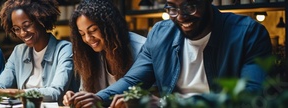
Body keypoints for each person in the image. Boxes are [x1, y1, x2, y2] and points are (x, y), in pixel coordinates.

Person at [68, 0, 272, 107]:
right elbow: (133, 79)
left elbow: (249, 96)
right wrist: (98, 98)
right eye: (172, 8)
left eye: (189, 6)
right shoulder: (160, 33)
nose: (181, 16)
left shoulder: (248, 33)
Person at [0, 0, 74, 102]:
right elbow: (0, 86)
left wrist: (10, 92)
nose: (23, 33)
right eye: (17, 28)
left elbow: (55, 93)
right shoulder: (18, 51)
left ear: (41, 20)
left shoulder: (64, 49)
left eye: (27, 25)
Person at [62, 0, 146, 106]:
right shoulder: (89, 54)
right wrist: (77, 98)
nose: (88, 38)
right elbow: (89, 95)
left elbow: (150, 96)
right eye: (82, 34)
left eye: (93, 30)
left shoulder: (141, 49)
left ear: (109, 26)